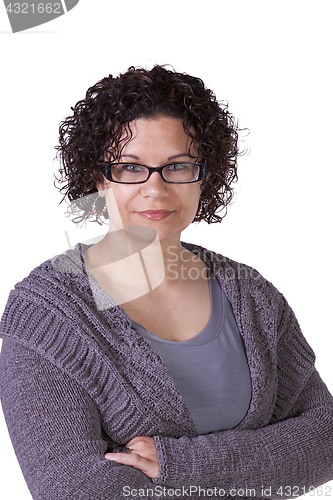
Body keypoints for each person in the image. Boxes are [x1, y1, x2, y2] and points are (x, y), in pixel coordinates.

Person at [0, 65, 332, 500]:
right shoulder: (46, 314)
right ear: (99, 178)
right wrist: (267, 464)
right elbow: (75, 490)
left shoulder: (251, 295)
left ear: (204, 176)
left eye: (176, 166)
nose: (154, 190)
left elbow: (325, 439)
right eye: (130, 168)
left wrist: (184, 465)